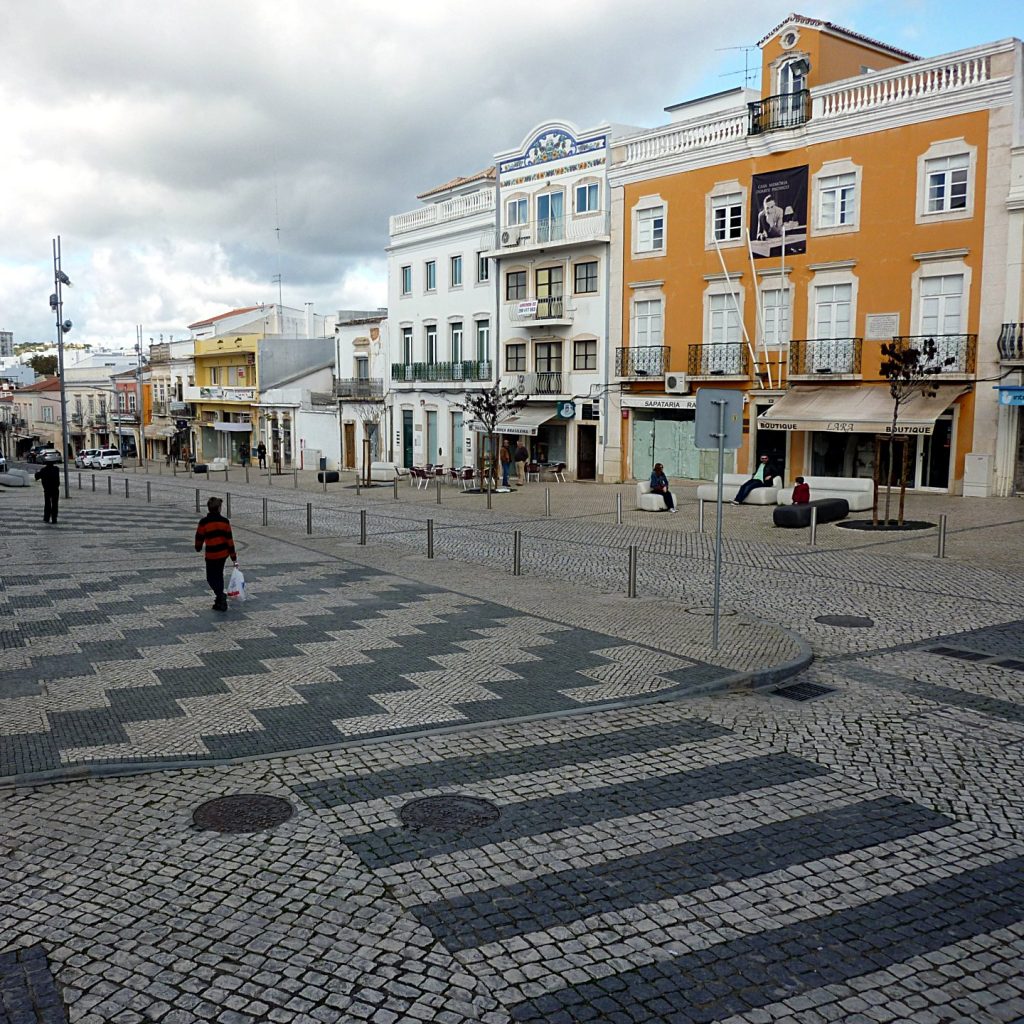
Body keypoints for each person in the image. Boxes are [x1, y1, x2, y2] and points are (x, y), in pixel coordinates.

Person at [194, 496, 237, 611]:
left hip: (212, 554)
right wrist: (233, 557)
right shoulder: (224, 522)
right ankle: (220, 600)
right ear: (219, 508)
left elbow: (199, 536)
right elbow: (229, 540)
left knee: (210, 577)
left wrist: (198, 547)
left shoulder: (204, 522)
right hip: (223, 554)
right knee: (219, 575)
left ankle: (220, 597)